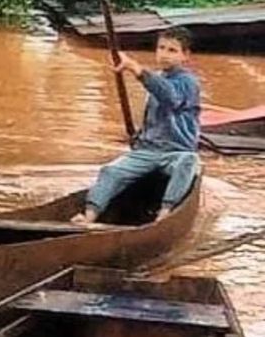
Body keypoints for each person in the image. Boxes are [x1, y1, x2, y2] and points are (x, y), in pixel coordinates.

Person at [72, 26, 201, 225]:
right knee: (110, 171)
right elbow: (155, 119)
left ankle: (165, 214)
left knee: (188, 162)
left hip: (177, 152)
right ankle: (90, 215)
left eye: (172, 50)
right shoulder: (157, 79)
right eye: (161, 48)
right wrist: (139, 137)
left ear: (186, 56)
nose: (164, 54)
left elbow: (170, 98)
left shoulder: (188, 82)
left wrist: (136, 69)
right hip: (148, 151)